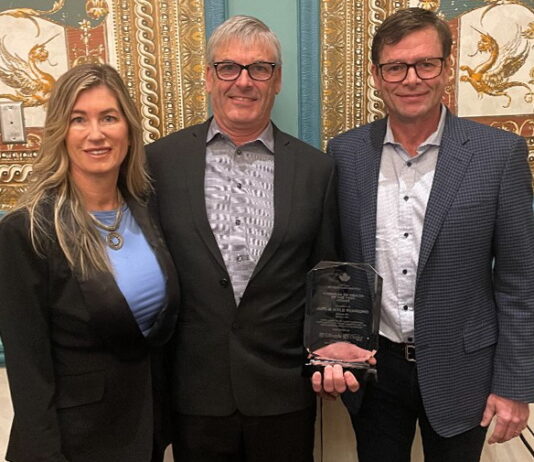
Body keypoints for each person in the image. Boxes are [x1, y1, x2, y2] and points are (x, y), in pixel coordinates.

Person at [328, 7, 534, 462]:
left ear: (446, 67)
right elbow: (336, 264)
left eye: (426, 64)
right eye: (396, 66)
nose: (411, 79)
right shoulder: (345, 154)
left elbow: (521, 283)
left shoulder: (498, 155)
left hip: (465, 371)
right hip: (375, 371)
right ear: (377, 75)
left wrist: (514, 386)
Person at [146, 15, 341, 462]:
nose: (244, 81)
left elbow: (327, 276)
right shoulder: (158, 163)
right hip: (194, 390)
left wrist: (331, 352)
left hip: (283, 389)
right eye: (228, 67)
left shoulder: (317, 170)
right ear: (209, 77)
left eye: (260, 68)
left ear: (277, 80)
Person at [0, 63, 179, 462]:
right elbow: (29, 367)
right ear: (60, 133)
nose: (96, 134)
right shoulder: (27, 230)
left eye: (109, 118)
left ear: (129, 132)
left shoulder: (146, 207)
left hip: (146, 428)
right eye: (78, 120)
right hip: (76, 442)